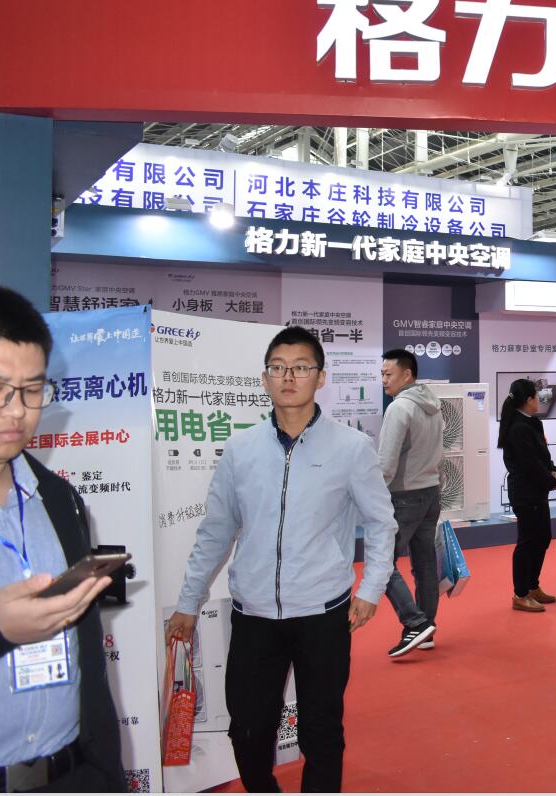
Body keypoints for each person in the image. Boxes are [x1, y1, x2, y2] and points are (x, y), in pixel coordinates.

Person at [167, 325, 397, 793]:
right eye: (278, 368)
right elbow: (216, 530)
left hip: (323, 613)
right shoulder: (241, 449)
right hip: (254, 615)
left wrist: (372, 588)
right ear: (265, 378)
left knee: (321, 730)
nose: (288, 377)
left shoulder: (352, 448)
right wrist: (188, 601)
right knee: (248, 730)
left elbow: (380, 523)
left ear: (321, 377)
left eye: (301, 367)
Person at [0, 285, 124, 792]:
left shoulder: (59, 498)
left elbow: (89, 661)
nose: (17, 411)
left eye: (32, 390)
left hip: (71, 773)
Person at [378, 348, 443, 657]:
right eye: (381, 374)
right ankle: (426, 630)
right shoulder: (433, 405)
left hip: (404, 497)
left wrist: (373, 496)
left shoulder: (399, 408)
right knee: (425, 565)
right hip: (431, 492)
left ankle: (415, 623)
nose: (383, 380)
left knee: (381, 563)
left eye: (388, 374)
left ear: (406, 375)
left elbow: (385, 463)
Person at [499, 378, 556, 613]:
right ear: (528, 400)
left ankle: (533, 586)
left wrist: (553, 471)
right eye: (536, 396)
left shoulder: (533, 423)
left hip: (538, 491)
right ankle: (520, 593)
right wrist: (550, 480)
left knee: (543, 537)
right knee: (527, 541)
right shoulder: (517, 428)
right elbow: (529, 464)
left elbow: (543, 455)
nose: (539, 399)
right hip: (525, 493)